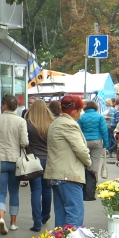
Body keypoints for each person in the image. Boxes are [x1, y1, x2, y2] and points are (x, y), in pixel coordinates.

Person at [43, 95, 91, 228]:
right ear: (74, 111)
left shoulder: (56, 123)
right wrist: (89, 162)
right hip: (69, 175)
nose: (80, 114)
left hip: (57, 175)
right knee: (74, 213)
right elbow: (81, 150)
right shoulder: (69, 125)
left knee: (61, 215)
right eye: (80, 111)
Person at [0, 94, 28, 234]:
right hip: (15, 161)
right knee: (14, 192)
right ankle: (13, 223)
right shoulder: (20, 121)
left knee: (1, 192)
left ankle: (1, 218)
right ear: (15, 106)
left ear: (4, 105)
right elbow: (24, 142)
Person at [25, 98, 53, 232]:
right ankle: (45, 216)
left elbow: (25, 141)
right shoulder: (51, 123)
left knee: (36, 190)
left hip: (33, 160)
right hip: (48, 159)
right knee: (47, 190)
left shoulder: (28, 122)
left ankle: (36, 223)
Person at [79, 100, 109, 176]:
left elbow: (78, 130)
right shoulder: (100, 117)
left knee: (85, 160)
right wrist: (106, 144)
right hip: (97, 141)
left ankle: (85, 177)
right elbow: (104, 131)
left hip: (84, 142)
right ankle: (93, 180)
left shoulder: (81, 117)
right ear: (95, 107)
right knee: (95, 161)